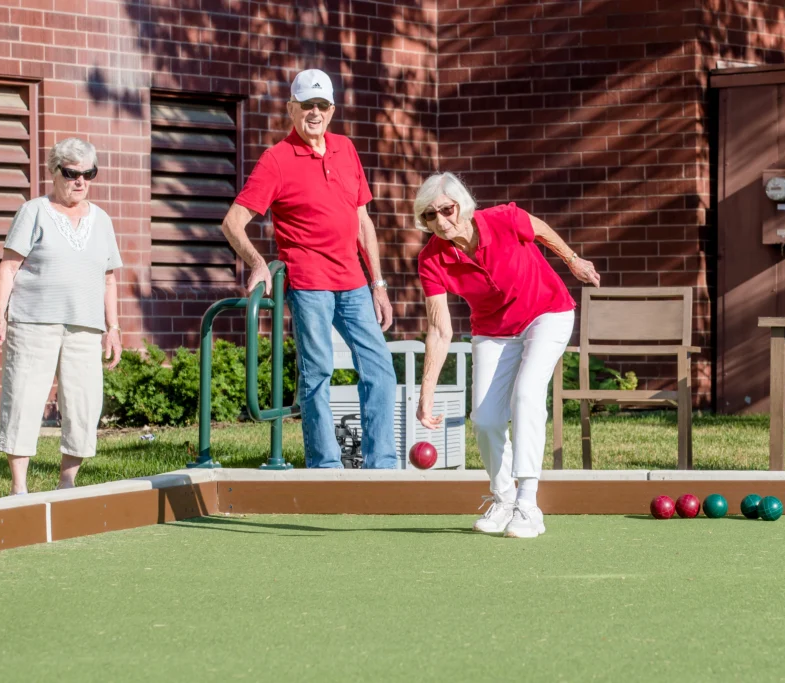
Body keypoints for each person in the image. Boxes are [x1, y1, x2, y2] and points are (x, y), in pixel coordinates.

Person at [221, 68, 398, 469]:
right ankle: (326, 467)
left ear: (332, 110)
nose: (314, 113)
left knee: (380, 369)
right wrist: (258, 263)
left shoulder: (346, 149)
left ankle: (382, 466)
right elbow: (233, 222)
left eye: (321, 105)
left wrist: (379, 283)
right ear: (291, 109)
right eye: (306, 106)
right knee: (317, 374)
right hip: (309, 284)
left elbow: (363, 222)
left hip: (354, 283)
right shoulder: (276, 160)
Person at [413, 173, 600, 538]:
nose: (441, 221)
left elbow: (540, 229)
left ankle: (529, 506)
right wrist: (426, 394)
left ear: (461, 205)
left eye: (446, 210)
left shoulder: (502, 218)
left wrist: (572, 259)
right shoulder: (431, 260)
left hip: (547, 312)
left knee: (527, 394)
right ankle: (504, 499)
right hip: (493, 331)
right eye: (430, 216)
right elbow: (438, 329)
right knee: (484, 418)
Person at [0, 137, 123, 495]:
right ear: (54, 172)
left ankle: (67, 482)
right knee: (23, 400)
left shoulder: (103, 220)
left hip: (85, 326)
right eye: (71, 173)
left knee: (83, 403)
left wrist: (113, 328)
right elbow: (8, 268)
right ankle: (18, 487)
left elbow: (109, 279)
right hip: (33, 322)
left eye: (88, 174)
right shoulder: (33, 211)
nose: (80, 181)